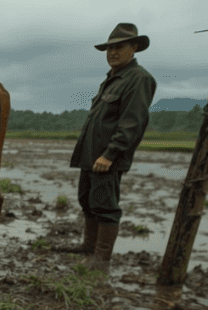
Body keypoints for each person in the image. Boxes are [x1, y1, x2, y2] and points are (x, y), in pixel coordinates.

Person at [65, 23, 156, 270]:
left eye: (119, 47)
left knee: (105, 205)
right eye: (109, 48)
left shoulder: (139, 79)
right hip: (91, 155)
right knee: (87, 200)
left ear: (134, 48)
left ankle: (101, 259)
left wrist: (110, 154)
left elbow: (132, 122)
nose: (113, 52)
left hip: (107, 157)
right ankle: (88, 246)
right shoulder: (113, 78)